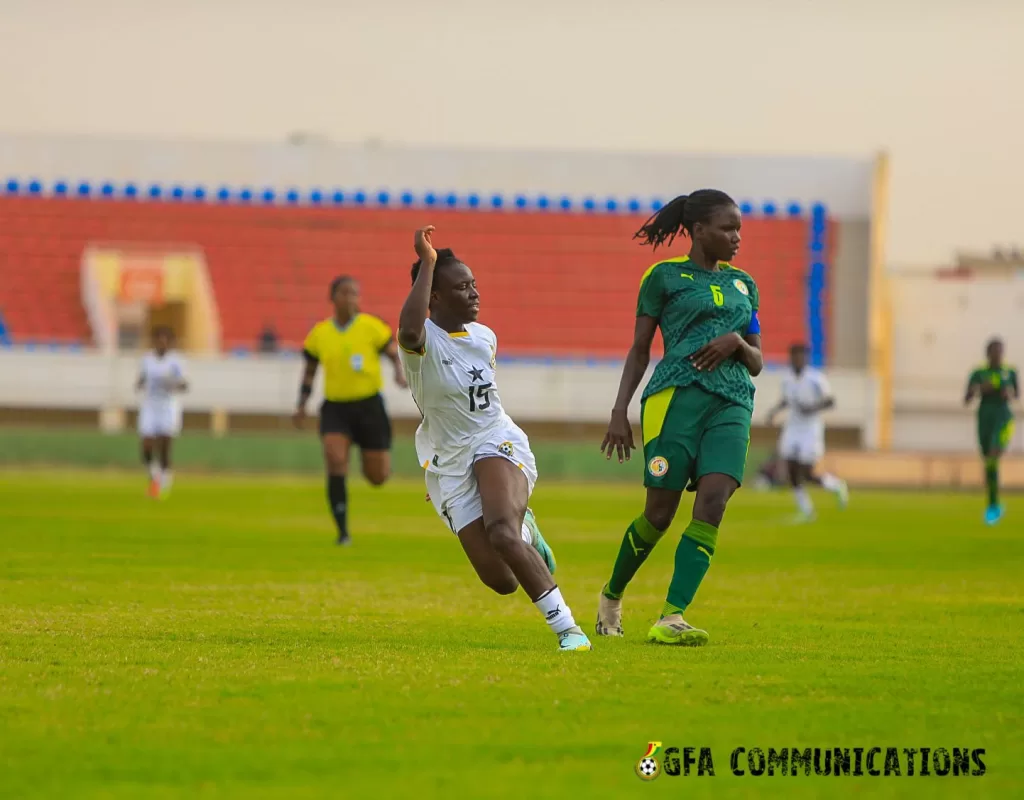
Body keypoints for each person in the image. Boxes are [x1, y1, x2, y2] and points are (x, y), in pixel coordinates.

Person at [397, 225, 592, 652]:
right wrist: (427, 262)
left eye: (474, 284)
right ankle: (529, 534)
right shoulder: (420, 342)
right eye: (461, 287)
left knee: (501, 531)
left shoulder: (485, 337)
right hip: (449, 459)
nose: (473, 293)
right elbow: (410, 331)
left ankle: (569, 631)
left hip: (495, 438)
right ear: (434, 297)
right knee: (502, 579)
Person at [595, 190, 763, 646]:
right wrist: (619, 411)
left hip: (732, 402)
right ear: (698, 230)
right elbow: (639, 349)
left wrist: (737, 343)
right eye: (728, 229)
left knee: (713, 504)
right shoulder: (664, 277)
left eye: (739, 229)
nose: (736, 238)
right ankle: (611, 596)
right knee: (659, 514)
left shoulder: (745, 285)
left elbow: (758, 361)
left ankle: (673, 616)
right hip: (674, 400)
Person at [294, 276, 408, 545]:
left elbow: (392, 353)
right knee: (334, 460)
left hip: (369, 407)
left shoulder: (371, 327)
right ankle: (343, 532)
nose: (351, 298)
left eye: (355, 293)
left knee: (377, 477)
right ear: (332, 298)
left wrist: (399, 374)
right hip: (336, 408)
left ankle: (369, 458)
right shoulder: (320, 334)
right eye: (345, 293)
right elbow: (309, 372)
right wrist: (301, 405)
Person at [766, 343, 849, 520]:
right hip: (793, 427)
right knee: (791, 469)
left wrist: (812, 408)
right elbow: (786, 400)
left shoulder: (816, 378)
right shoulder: (787, 379)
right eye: (795, 356)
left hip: (811, 429)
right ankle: (806, 510)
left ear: (805, 358)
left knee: (807, 472)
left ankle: (836, 485)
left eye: (801, 356)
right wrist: (774, 412)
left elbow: (830, 401)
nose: (798, 359)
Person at [964, 338, 1018, 525]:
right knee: (988, 460)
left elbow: (1016, 394)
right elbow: (967, 398)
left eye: (1001, 352)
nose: (998, 355)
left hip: (1003, 418)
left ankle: (993, 506)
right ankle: (994, 502)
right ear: (988, 353)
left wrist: (1006, 393)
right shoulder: (979, 373)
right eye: (995, 351)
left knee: (994, 455)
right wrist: (980, 389)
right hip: (984, 418)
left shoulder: (1009, 372)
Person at [135, 326, 188, 498]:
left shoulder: (176, 361)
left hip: (168, 406)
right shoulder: (147, 359)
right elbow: (142, 378)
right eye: (159, 339)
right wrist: (139, 383)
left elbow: (184, 384)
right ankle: (154, 475)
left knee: (165, 445)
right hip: (150, 406)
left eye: (165, 340)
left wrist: (174, 383)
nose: (162, 342)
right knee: (147, 445)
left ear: (170, 343)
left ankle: (164, 477)